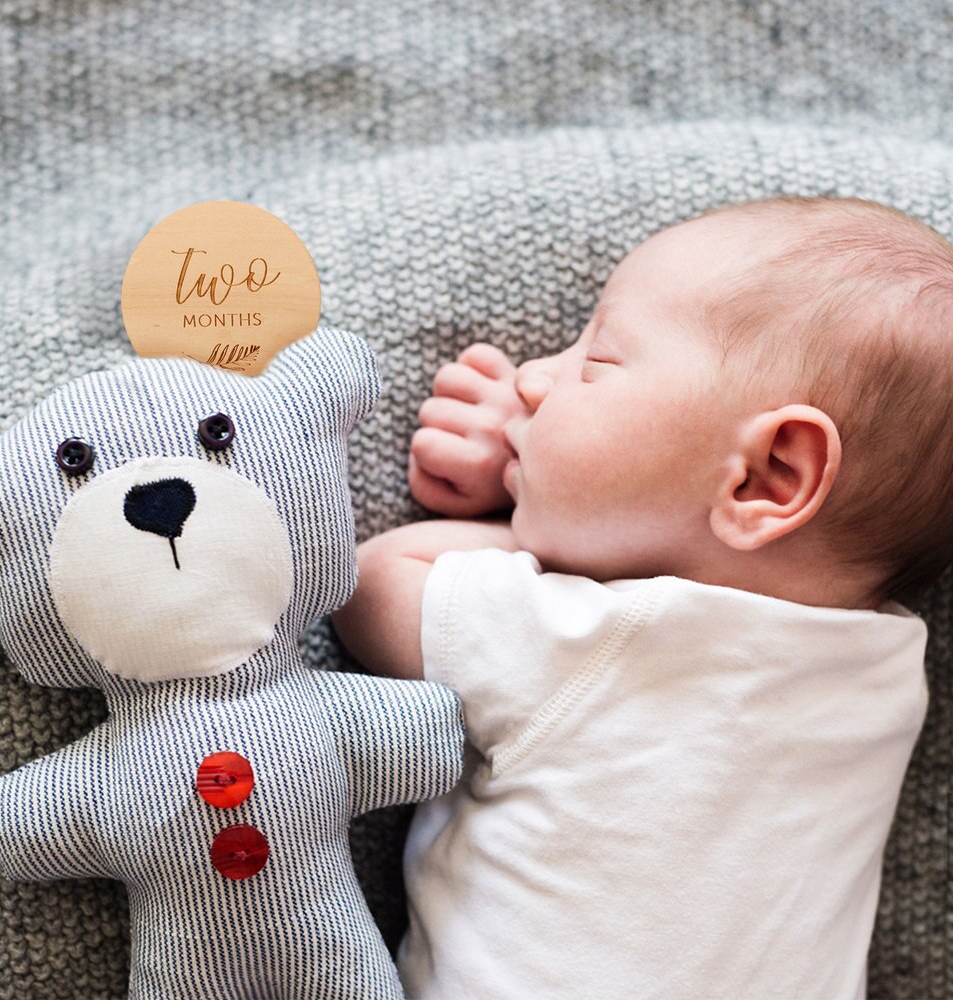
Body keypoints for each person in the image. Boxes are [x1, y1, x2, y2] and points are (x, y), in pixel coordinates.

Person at [330, 195, 953, 999]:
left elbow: (373, 583)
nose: (532, 379)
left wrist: (519, 501)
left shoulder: (595, 638)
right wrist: (548, 472)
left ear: (769, 477)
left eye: (597, 362)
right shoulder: (885, 671)